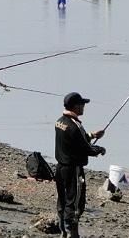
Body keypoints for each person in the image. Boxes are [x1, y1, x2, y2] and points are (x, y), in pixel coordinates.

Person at [55, 92, 106, 238]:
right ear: (76, 106)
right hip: (73, 169)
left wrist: (92, 135)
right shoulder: (74, 125)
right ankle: (72, 233)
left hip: (60, 168)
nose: (84, 107)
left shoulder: (60, 121)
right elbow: (86, 148)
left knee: (63, 200)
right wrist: (100, 149)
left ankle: (63, 232)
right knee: (76, 202)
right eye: (82, 104)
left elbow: (75, 141)